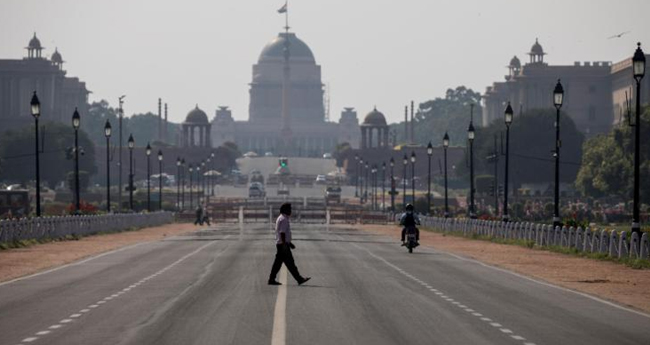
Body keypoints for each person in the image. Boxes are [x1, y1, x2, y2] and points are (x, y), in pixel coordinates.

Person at [268, 203, 311, 286]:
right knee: (290, 263)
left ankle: (271, 279)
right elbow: (282, 233)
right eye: (289, 209)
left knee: (278, 264)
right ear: (285, 210)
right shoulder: (283, 219)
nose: (291, 211)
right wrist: (285, 245)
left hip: (281, 244)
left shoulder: (281, 218)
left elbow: (283, 233)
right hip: (283, 245)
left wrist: (289, 243)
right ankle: (299, 279)